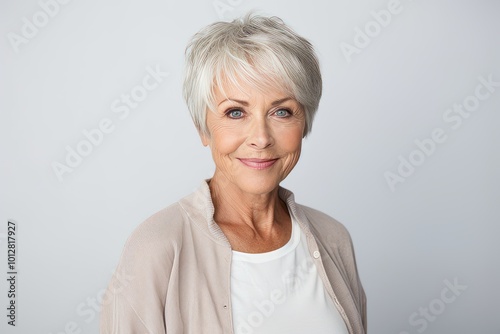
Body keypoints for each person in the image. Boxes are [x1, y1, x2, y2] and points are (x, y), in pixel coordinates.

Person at [100, 13, 366, 334]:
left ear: (304, 122)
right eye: (235, 112)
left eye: (281, 111)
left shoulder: (333, 238)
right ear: (203, 128)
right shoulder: (156, 247)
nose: (261, 137)